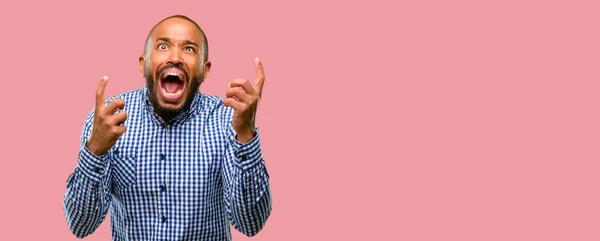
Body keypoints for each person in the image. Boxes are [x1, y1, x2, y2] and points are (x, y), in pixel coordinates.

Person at [63, 14, 272, 240]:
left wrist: (246, 135)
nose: (175, 57)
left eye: (189, 49)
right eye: (163, 46)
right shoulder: (108, 120)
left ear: (205, 70)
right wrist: (95, 150)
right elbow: (80, 226)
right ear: (143, 65)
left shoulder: (227, 120)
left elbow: (250, 223)